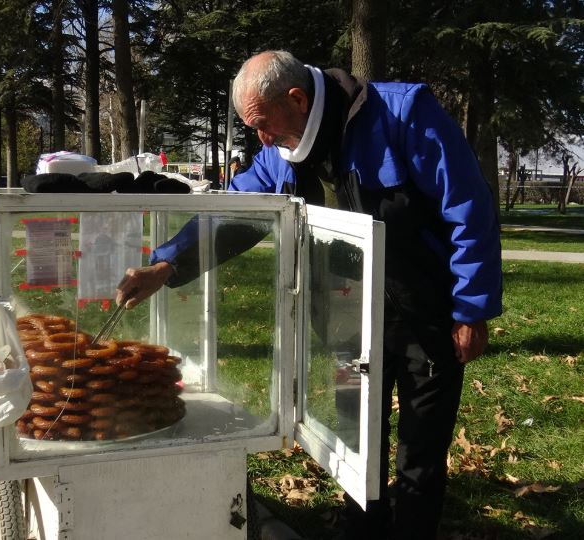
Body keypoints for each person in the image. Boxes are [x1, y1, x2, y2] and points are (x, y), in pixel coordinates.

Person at [117, 50, 503, 540]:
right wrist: (168, 263)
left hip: (424, 311)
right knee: (356, 432)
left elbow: (469, 210)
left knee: (421, 448)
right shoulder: (283, 151)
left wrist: (470, 309)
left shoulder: (404, 113)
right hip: (347, 318)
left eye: (263, 125)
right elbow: (235, 213)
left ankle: (413, 527)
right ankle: (362, 525)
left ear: (296, 99)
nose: (262, 140)